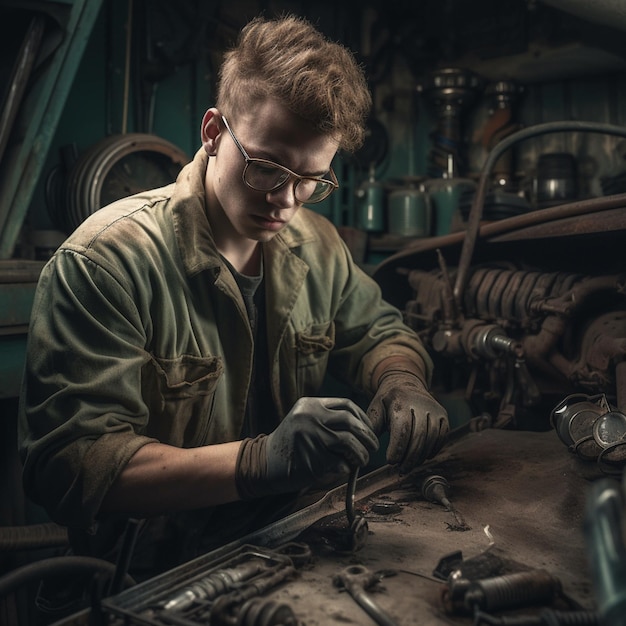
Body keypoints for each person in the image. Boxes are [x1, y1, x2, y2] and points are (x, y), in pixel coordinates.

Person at [18, 14, 448, 577]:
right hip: (143, 568)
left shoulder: (316, 245)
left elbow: (377, 332)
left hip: (292, 534)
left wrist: (402, 379)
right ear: (215, 131)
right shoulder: (107, 262)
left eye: (311, 179)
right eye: (268, 168)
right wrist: (258, 462)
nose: (286, 201)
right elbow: (75, 466)